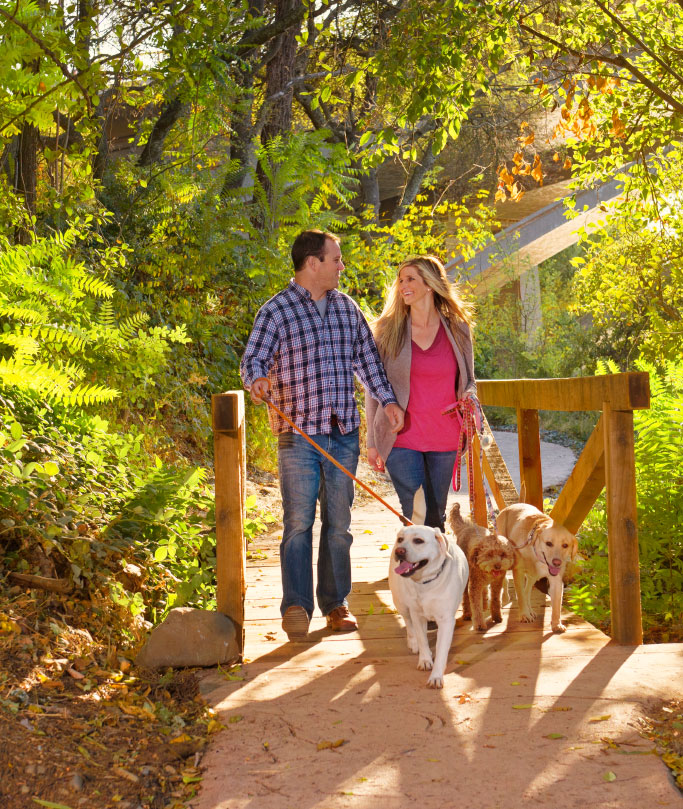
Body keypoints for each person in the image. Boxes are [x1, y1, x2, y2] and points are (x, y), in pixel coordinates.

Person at [240, 230, 404, 641]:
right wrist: (258, 379)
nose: (341, 266)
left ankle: (335, 604)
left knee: (339, 524)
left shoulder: (347, 308)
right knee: (297, 523)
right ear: (312, 263)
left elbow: (368, 361)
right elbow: (253, 359)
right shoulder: (275, 311)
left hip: (343, 432)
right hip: (297, 435)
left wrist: (388, 402)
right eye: (336, 259)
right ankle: (296, 606)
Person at [365, 255, 476, 531]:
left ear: (430, 284)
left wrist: (470, 398)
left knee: (436, 515)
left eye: (411, 278)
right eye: (400, 280)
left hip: (445, 436)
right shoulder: (387, 330)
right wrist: (371, 441)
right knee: (416, 513)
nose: (403, 285)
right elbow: (373, 388)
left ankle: (432, 572)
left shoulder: (458, 329)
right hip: (400, 437)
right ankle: (415, 573)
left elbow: (469, 380)